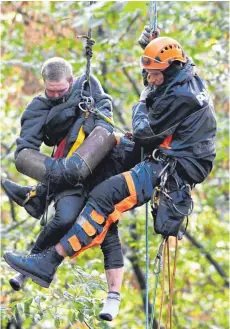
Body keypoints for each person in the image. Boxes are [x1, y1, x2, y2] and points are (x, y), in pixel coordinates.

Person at [3, 30, 217, 319]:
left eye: (153, 74)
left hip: (173, 164)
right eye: (148, 73)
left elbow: (143, 130)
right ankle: (38, 199)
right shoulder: (183, 74)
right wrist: (150, 47)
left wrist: (140, 103)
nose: (149, 79)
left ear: (170, 69)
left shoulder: (183, 96)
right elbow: (159, 83)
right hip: (161, 149)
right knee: (106, 156)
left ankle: (51, 260)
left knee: (105, 196)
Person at [2, 56, 134, 321]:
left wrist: (96, 132)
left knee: (108, 230)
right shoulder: (40, 106)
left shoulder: (90, 91)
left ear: (71, 81)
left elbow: (105, 120)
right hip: (66, 174)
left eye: (60, 91)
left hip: (100, 173)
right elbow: (27, 147)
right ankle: (28, 268)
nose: (55, 95)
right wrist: (51, 169)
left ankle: (113, 297)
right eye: (50, 91)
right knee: (63, 218)